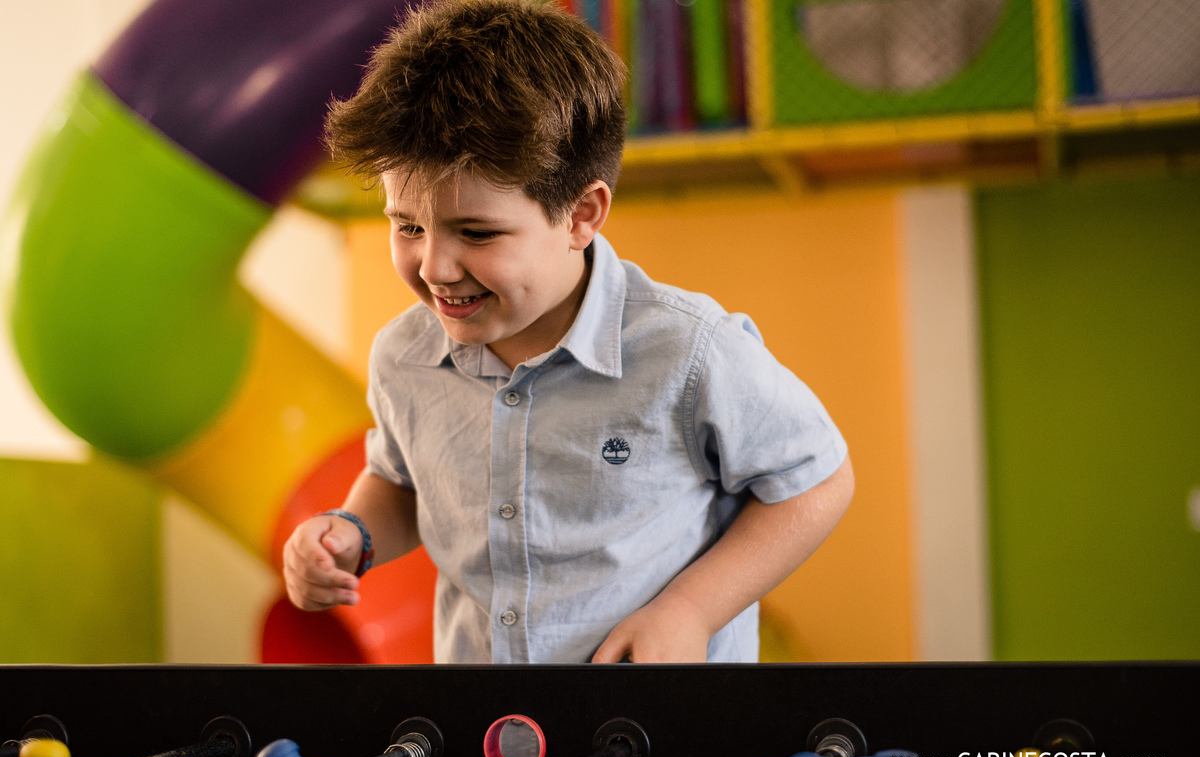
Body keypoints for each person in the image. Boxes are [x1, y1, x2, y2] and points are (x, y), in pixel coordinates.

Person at [282, 0, 854, 663]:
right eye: (407, 225)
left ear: (581, 214)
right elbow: (404, 482)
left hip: (654, 731)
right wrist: (351, 532)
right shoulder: (403, 356)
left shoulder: (687, 349)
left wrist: (690, 611)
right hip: (490, 733)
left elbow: (817, 480)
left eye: (476, 231)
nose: (434, 266)